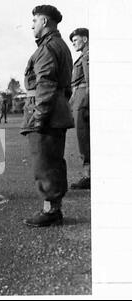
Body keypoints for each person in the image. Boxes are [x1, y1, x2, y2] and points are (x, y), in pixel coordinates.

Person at [21, 5, 74, 227]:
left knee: (44, 162)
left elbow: (45, 84)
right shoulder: (60, 46)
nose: (32, 25)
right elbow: (66, 88)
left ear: (44, 21)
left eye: (34, 21)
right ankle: (54, 209)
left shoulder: (47, 48)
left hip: (46, 112)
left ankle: (51, 211)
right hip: (57, 110)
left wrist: (39, 117)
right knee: (53, 160)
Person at [69, 28, 90, 190]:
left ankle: (88, 176)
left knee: (83, 137)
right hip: (79, 97)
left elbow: (90, 82)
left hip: (83, 99)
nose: (74, 43)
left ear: (85, 39)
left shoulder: (87, 55)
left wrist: (86, 103)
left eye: (76, 40)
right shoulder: (83, 56)